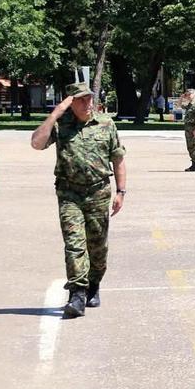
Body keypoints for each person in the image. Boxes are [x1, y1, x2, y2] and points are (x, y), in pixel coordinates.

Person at [30, 83, 127, 318]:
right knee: (74, 244)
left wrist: (121, 191)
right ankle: (77, 293)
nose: (87, 103)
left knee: (98, 247)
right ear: (70, 102)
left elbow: (118, 158)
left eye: (89, 98)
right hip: (69, 194)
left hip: (98, 193)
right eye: (81, 99)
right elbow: (36, 143)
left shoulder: (106, 124)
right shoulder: (61, 125)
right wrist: (55, 113)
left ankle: (94, 284)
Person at [180, 89, 195, 172]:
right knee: (189, 146)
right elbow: (180, 105)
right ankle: (193, 163)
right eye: (187, 94)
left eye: (189, 94)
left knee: (194, 146)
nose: (188, 96)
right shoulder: (189, 105)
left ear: (194, 94)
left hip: (193, 128)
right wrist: (181, 98)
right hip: (188, 129)